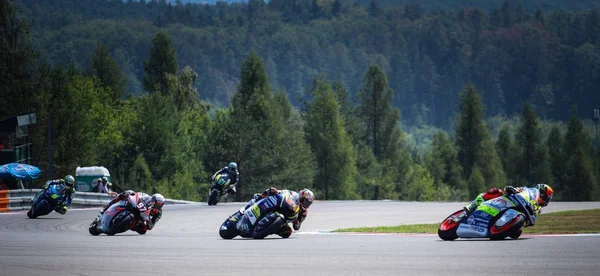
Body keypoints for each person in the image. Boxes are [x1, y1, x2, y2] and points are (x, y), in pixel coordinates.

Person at [463, 184, 554, 226]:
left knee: (517, 233)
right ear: (541, 193)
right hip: (506, 202)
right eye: (546, 197)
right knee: (496, 191)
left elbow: (531, 221)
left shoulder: (538, 208)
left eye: (548, 199)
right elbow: (509, 190)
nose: (546, 201)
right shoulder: (527, 191)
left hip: (515, 216)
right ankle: (472, 205)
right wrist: (512, 189)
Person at [242, 187, 315, 237]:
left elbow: (297, 227)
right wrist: (275, 191)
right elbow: (282, 193)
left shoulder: (304, 212)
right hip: (279, 208)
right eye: (306, 201)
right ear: (302, 197)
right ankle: (252, 204)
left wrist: (297, 222)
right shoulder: (293, 194)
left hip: (284, 220)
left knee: (287, 232)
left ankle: (267, 230)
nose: (307, 204)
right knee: (266, 193)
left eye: (309, 203)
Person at [100, 190, 165, 233]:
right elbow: (138, 194)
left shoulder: (158, 213)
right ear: (152, 199)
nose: (155, 206)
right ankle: (106, 208)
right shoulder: (146, 197)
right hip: (137, 208)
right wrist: (131, 194)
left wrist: (148, 223)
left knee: (143, 230)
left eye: (158, 206)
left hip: (143, 217)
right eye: (154, 203)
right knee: (124, 195)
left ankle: (129, 226)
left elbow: (151, 226)